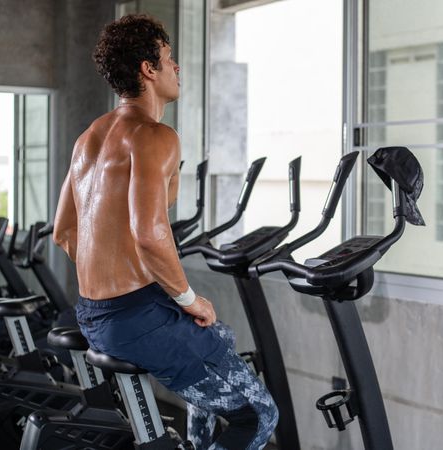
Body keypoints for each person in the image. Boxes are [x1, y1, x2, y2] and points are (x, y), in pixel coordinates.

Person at [53, 14, 278, 450]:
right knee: (259, 416)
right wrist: (188, 298)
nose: (177, 68)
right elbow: (150, 234)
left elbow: (64, 230)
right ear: (148, 69)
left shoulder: (90, 137)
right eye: (169, 58)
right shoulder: (156, 136)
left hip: (94, 312)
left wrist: (111, 278)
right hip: (138, 316)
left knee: (222, 338)